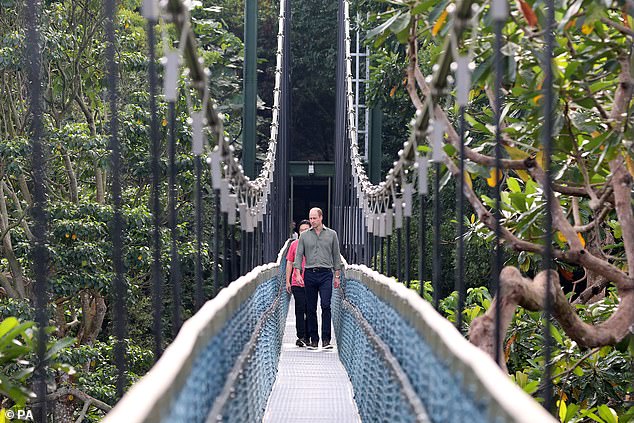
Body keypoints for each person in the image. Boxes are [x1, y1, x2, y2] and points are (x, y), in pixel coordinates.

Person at [293, 208, 342, 350]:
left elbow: (336, 256)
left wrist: (337, 276)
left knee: (326, 305)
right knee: (311, 308)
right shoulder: (304, 236)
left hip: (326, 274)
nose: (312, 221)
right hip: (310, 273)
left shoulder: (332, 235)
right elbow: (298, 255)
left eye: (314, 218)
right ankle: (314, 340)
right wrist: (297, 274)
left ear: (321, 217)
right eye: (311, 218)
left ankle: (326, 340)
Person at [285, 220, 311, 347]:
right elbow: (289, 263)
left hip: (311, 282)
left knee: (309, 309)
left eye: (306, 229)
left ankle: (308, 336)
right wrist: (287, 281)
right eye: (301, 230)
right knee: (300, 308)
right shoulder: (294, 245)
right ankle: (301, 336)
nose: (304, 232)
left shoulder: (314, 245)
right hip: (297, 282)